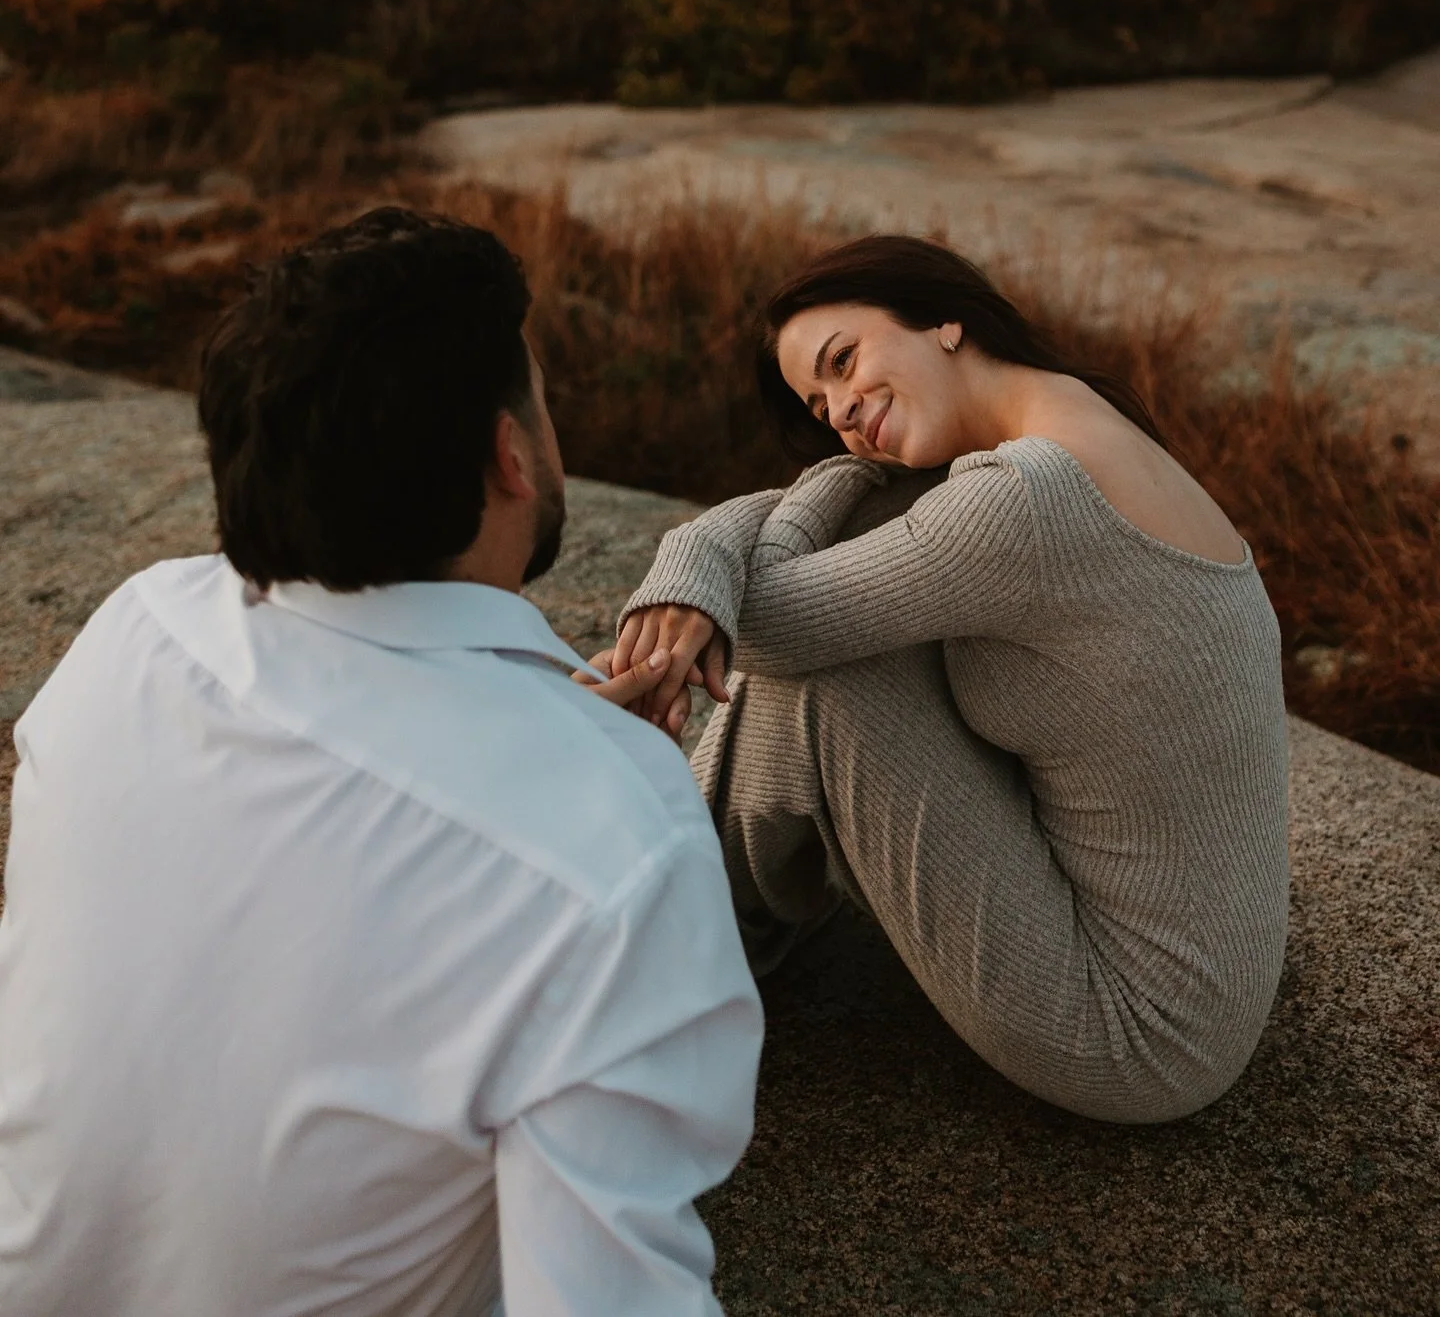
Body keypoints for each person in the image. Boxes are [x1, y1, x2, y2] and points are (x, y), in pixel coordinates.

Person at [0, 207, 762, 1317]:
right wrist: (594, 789)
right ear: (512, 454)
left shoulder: (141, 627)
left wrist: (564, 750)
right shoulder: (614, 848)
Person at [613, 235, 1289, 1126]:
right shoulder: (1074, 418)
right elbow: (848, 513)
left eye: (843, 361)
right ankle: (690, 920)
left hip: (1143, 1029)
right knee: (847, 629)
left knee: (824, 685)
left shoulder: (1026, 502)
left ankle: (665, 953)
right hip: (1210, 974)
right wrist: (721, 547)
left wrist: (693, 551)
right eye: (820, 406)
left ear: (941, 316)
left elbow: (771, 626)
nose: (843, 410)